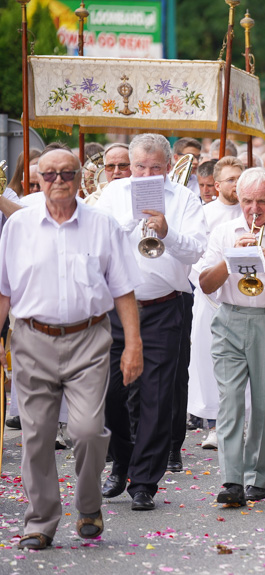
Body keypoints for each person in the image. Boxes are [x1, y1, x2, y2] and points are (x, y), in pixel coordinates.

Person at [0, 149, 143, 549]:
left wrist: (133, 344)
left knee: (86, 431)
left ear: (80, 178)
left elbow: (124, 290)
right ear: (37, 180)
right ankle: (40, 522)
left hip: (89, 340)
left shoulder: (102, 225)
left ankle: (88, 504)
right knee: (37, 435)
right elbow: (4, 291)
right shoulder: (18, 226)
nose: (58, 180)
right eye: (49, 175)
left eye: (67, 173)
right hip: (31, 340)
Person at [95, 133, 207, 511]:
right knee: (111, 393)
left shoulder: (185, 199)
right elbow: (97, 246)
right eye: (139, 166)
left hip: (164, 307)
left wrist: (167, 232)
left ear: (169, 165)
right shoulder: (113, 195)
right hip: (115, 308)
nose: (146, 173)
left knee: (156, 397)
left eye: (155, 167)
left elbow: (197, 249)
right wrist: (130, 222)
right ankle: (121, 461)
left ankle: (144, 481)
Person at [198, 168, 265, 505]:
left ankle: (257, 478)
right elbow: (204, 284)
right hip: (229, 318)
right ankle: (231, 479)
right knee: (230, 401)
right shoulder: (223, 232)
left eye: (262, 202)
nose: (254, 210)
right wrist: (232, 259)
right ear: (238, 200)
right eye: (247, 202)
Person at [188, 157, 245, 450]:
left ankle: (238, 422)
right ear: (217, 184)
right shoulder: (205, 213)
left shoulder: (250, 211)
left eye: (240, 178)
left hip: (244, 296)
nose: (235, 184)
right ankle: (212, 425)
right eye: (230, 179)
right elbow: (195, 256)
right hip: (209, 297)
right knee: (208, 361)